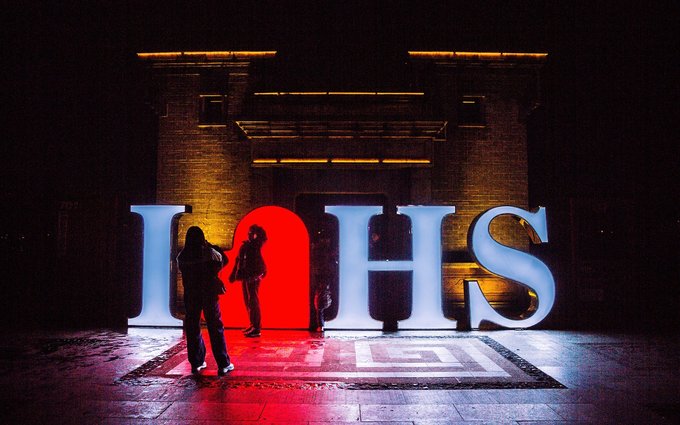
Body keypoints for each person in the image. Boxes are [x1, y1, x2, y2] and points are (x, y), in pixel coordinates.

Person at [177, 226, 234, 376]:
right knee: (215, 327)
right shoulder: (209, 252)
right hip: (209, 294)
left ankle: (196, 362)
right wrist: (210, 246)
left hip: (191, 295)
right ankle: (223, 363)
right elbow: (223, 260)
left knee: (193, 327)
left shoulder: (183, 256)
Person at [229, 224, 267, 337]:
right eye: (249, 233)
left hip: (253, 276)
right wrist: (234, 274)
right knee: (248, 301)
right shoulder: (246, 246)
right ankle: (253, 324)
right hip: (246, 276)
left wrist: (256, 232)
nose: (249, 235)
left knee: (253, 301)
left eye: (252, 233)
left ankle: (256, 327)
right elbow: (238, 260)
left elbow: (263, 237)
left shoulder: (256, 245)